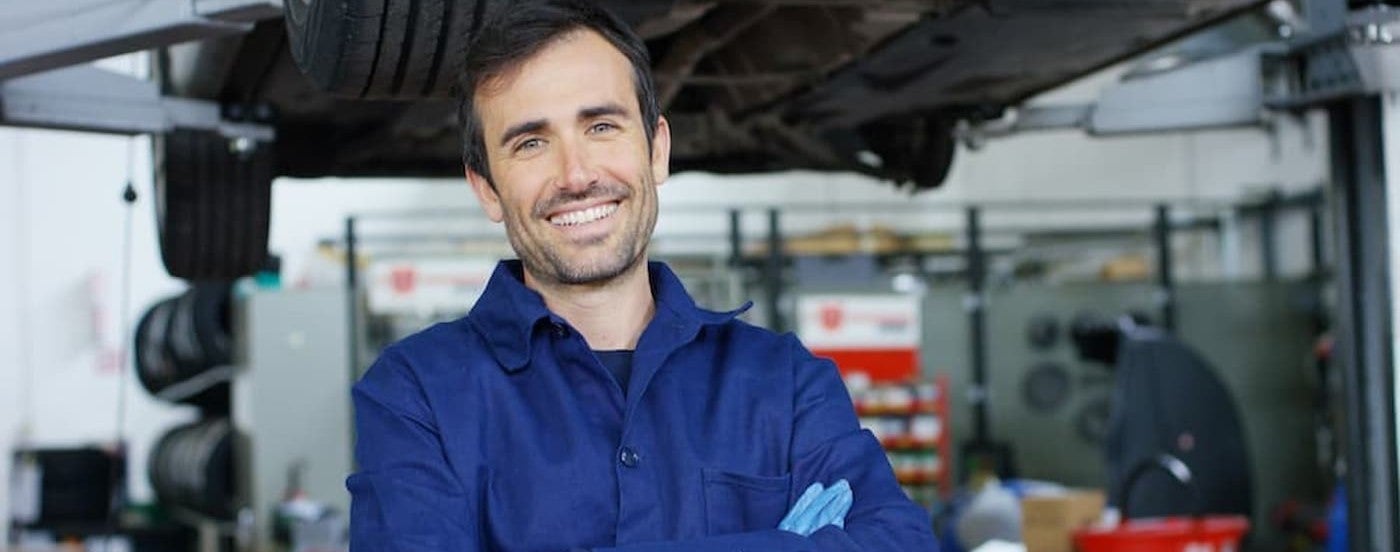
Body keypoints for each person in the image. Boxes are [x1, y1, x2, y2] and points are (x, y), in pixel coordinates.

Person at [346, 1, 938, 550]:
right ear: (487, 189)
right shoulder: (415, 395)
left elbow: (897, 541)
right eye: (530, 143)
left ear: (657, 150)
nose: (575, 174)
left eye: (602, 127)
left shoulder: (783, 381)